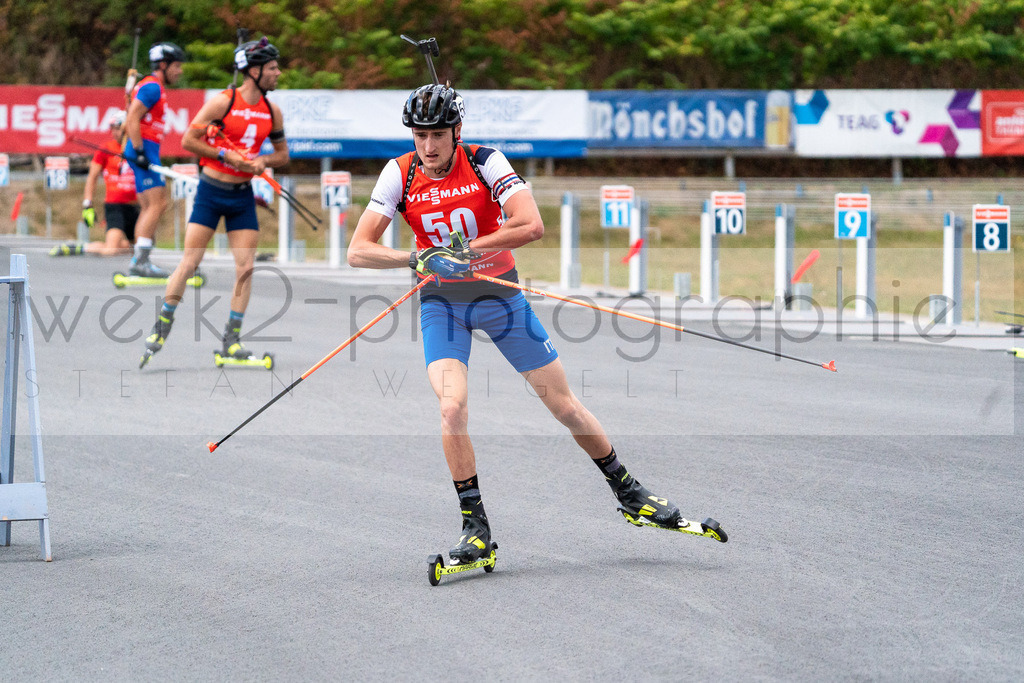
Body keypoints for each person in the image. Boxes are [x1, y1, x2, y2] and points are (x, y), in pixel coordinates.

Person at [348, 83, 682, 564]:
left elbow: (531, 224)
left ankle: (630, 492)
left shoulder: (486, 161)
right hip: (442, 304)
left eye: (438, 134)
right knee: (451, 408)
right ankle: (475, 528)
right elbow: (358, 250)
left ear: (457, 131)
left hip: (499, 294)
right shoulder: (398, 173)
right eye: (420, 135)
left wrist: (468, 251)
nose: (428, 146)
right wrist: (418, 257)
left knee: (563, 405)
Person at [139, 38, 288, 368]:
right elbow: (188, 140)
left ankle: (231, 341)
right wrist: (226, 155)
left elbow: (283, 154)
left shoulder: (271, 111)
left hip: (242, 197)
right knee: (190, 262)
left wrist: (261, 161)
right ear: (254, 70)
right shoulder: (223, 102)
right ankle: (162, 324)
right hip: (210, 192)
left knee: (246, 268)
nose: (279, 72)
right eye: (273, 67)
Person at [123, 42, 187, 278]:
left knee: (149, 206)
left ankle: (139, 260)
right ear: (163, 65)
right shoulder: (152, 87)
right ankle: (141, 261)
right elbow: (132, 118)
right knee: (158, 204)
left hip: (145, 149)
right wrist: (139, 151)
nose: (179, 71)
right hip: (144, 150)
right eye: (177, 66)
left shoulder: (153, 86)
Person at [50, 110, 136, 257]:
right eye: (112, 129)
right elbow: (92, 177)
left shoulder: (137, 147)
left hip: (135, 205)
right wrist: (87, 204)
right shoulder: (106, 149)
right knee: (112, 250)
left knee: (135, 248)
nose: (114, 132)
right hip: (115, 206)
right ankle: (80, 248)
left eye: (118, 128)